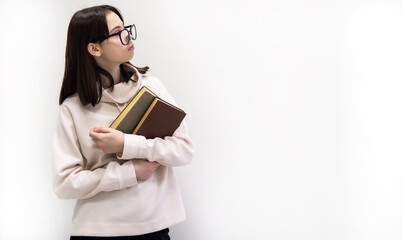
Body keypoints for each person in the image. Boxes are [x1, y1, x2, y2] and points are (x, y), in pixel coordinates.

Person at [52, 5, 194, 239]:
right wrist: (129, 172)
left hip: (154, 229)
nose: (128, 36)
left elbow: (185, 150)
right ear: (94, 48)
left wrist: (128, 144)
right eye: (118, 32)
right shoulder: (73, 108)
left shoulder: (152, 87)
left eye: (126, 28)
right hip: (96, 231)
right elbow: (65, 183)